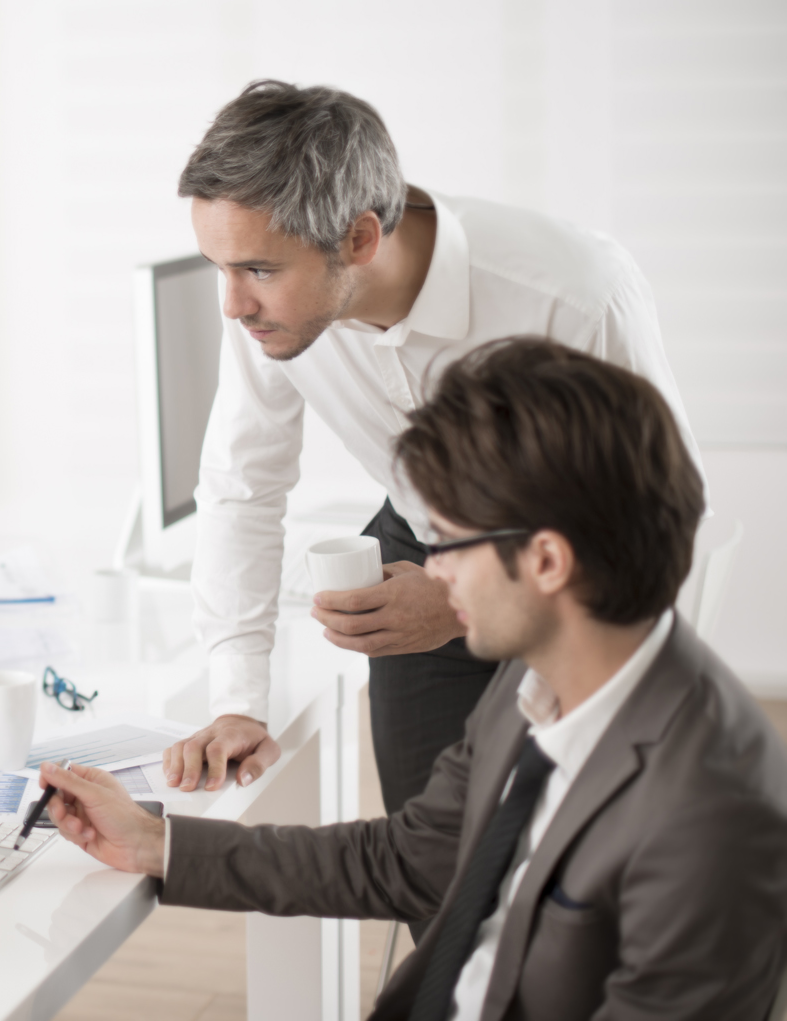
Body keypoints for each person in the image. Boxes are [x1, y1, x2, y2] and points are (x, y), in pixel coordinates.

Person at [42, 339, 787, 1019]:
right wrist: (156, 843)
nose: (433, 569)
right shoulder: (534, 682)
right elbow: (407, 860)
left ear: (547, 561)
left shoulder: (713, 817)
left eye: (451, 542)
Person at [162, 81, 700, 832]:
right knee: (432, 855)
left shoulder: (574, 296)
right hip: (419, 549)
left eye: (258, 270)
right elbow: (242, 485)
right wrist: (237, 703)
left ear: (359, 239)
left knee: (573, 850)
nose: (232, 304)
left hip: (581, 576)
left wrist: (461, 599)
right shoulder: (265, 309)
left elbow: (660, 512)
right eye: (219, 267)